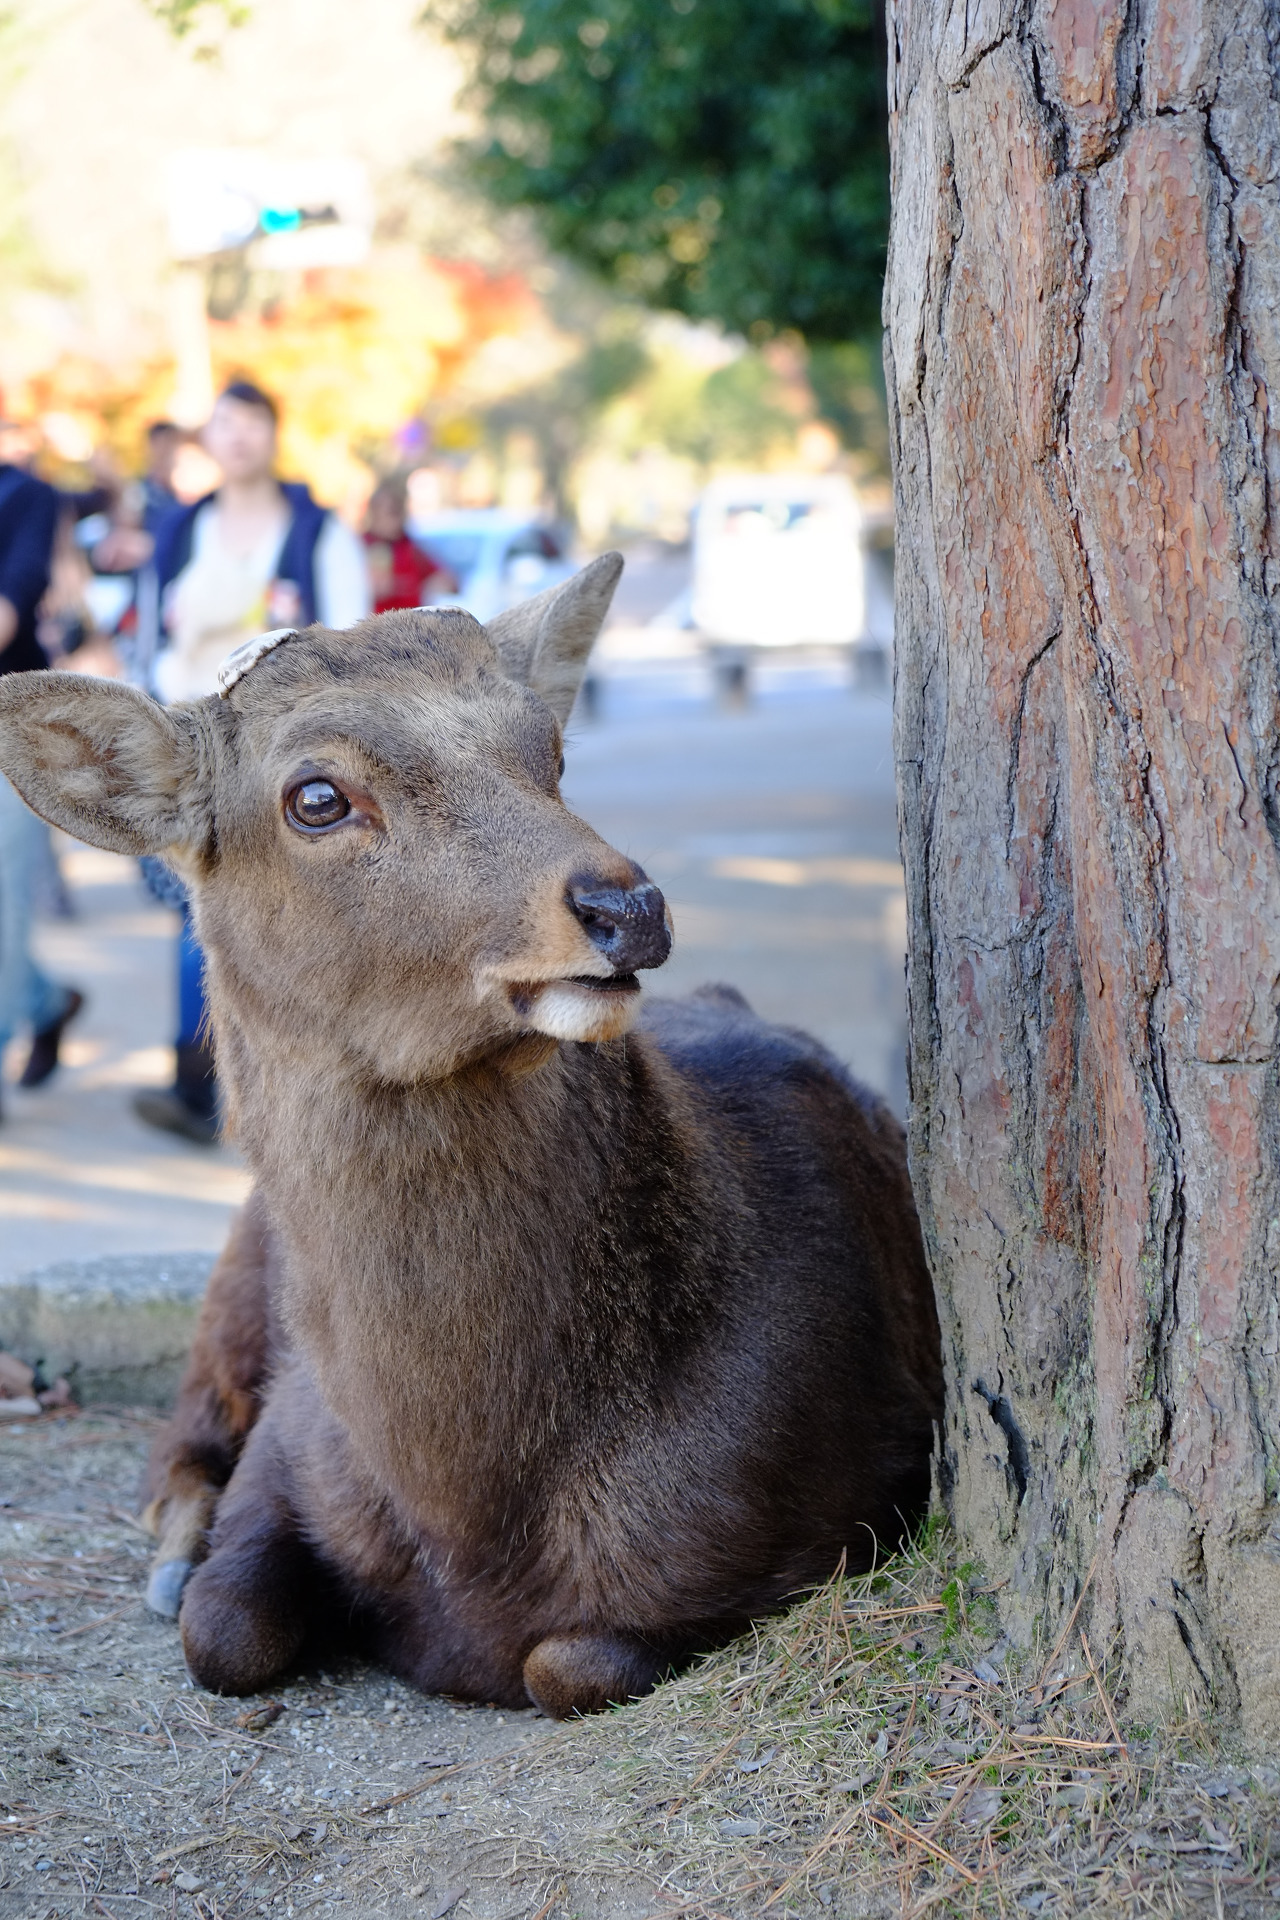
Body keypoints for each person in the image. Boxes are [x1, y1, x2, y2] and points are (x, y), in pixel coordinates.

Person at [133, 379, 370, 1143]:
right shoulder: (179, 530)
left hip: (290, 756)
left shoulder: (316, 533)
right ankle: (197, 1079)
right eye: (223, 424)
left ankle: (315, 1077)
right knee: (197, 913)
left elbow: (351, 641)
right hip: (195, 755)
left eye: (251, 422)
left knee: (304, 911)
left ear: (273, 432)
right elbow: (150, 637)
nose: (236, 436)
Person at [0, 421, 84, 1118]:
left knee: (3, 901)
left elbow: (9, 610)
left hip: (10, 732)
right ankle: (47, 1003)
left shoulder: (26, 495)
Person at [362, 476, 454, 613]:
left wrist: (433, 585)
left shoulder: (410, 548)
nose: (396, 518)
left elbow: (446, 579)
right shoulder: (360, 546)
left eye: (398, 511)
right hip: (375, 627)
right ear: (374, 512)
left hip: (411, 626)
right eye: (390, 512)